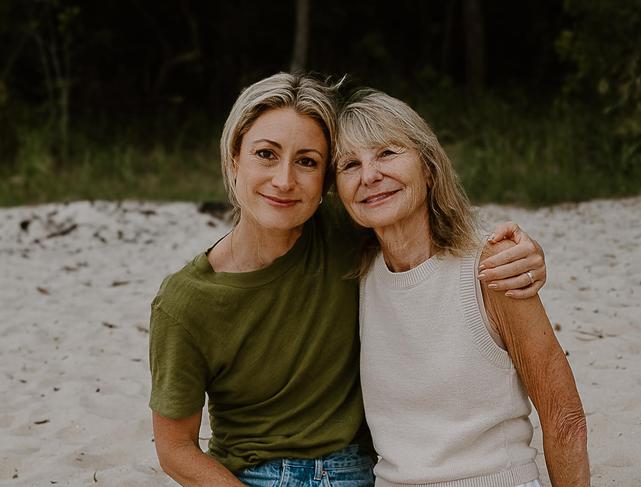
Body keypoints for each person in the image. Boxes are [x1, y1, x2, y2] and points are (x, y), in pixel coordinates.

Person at [148, 73, 548, 487]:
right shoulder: (185, 302)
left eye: (307, 161)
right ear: (234, 160)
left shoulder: (347, 229)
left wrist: (522, 252)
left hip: (356, 471)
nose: (284, 180)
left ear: (325, 182)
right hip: (252, 476)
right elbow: (175, 448)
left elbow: (425, 220)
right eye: (266, 154)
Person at [334, 89, 589, 487]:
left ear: (429, 168)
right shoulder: (353, 276)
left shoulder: (492, 264)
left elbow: (564, 417)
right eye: (350, 164)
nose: (369, 176)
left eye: (387, 153)